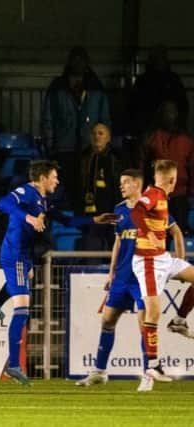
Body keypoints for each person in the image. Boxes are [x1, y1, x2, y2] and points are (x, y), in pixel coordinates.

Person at [0, 160, 116, 385]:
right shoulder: (27, 191)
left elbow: (66, 219)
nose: (57, 180)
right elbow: (2, 203)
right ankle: (13, 365)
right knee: (22, 308)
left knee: (21, 287)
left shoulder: (43, 200)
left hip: (24, 255)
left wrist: (95, 220)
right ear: (43, 178)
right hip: (15, 254)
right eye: (54, 176)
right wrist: (27, 217)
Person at [76, 169, 176, 386]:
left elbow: (174, 231)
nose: (121, 186)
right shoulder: (119, 210)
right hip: (122, 277)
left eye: (125, 183)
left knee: (144, 324)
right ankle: (100, 372)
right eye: (120, 183)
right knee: (108, 320)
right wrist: (111, 273)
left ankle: (147, 375)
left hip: (144, 276)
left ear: (136, 184)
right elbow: (118, 242)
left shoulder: (154, 205)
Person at [129, 159, 194, 391]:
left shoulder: (161, 197)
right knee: (153, 312)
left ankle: (179, 320)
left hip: (163, 258)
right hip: (148, 261)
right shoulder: (154, 194)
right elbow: (136, 210)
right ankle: (153, 366)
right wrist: (149, 233)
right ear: (172, 179)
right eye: (176, 179)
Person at [42, 46, 110, 207]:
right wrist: (50, 145)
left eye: (82, 60)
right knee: (65, 187)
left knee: (87, 187)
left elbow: (105, 119)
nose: (78, 63)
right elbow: (48, 117)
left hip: (89, 147)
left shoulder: (96, 88)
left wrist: (103, 145)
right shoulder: (57, 86)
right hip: (64, 147)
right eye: (75, 59)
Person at [143, 100, 194, 233]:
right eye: (166, 112)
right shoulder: (152, 138)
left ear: (176, 114)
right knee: (158, 234)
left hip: (180, 196)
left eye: (171, 112)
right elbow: (144, 167)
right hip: (157, 194)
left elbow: (192, 167)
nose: (169, 115)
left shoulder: (186, 139)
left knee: (179, 232)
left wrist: (191, 193)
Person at [79, 123, 122, 249]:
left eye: (101, 133)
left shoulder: (116, 157)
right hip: (89, 213)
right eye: (94, 133)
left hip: (112, 210)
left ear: (108, 138)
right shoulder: (83, 157)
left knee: (113, 247)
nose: (97, 136)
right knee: (92, 246)